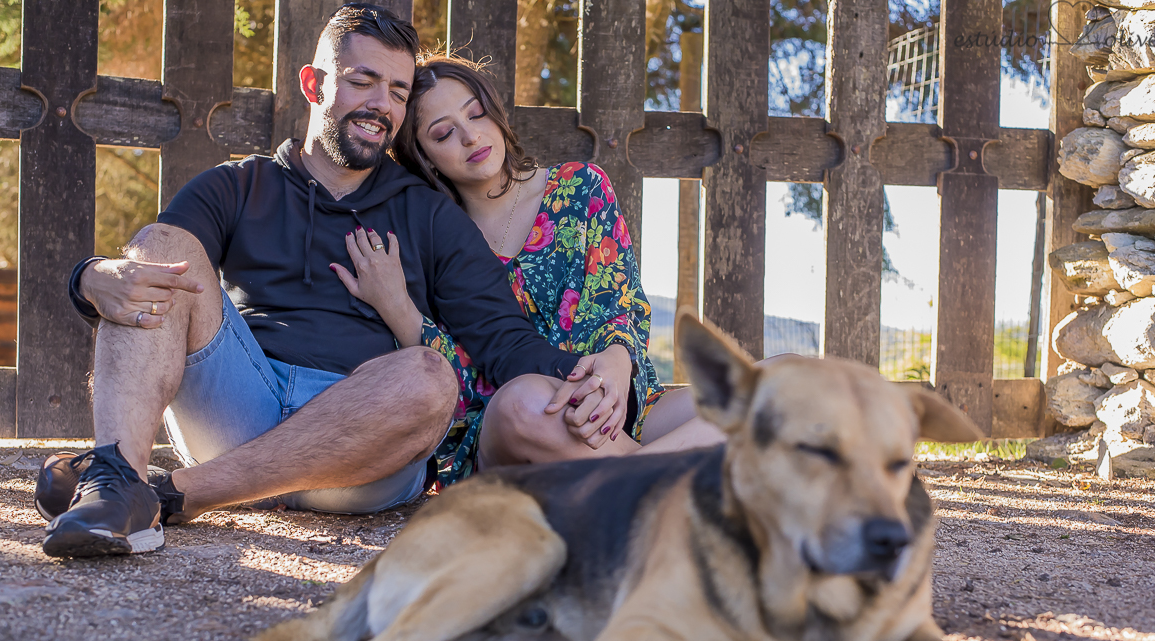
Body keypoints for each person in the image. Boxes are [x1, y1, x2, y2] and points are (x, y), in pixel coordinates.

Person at [37, 4, 623, 558]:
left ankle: (167, 494)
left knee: (428, 376)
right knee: (162, 248)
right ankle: (116, 483)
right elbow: (143, 272)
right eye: (363, 81)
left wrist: (597, 369)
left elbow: (505, 341)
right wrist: (88, 278)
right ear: (315, 84)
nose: (382, 105)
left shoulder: (429, 215)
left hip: (361, 445)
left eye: (397, 92)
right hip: (240, 407)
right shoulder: (240, 185)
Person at [337, 55, 724, 483]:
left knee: (786, 380)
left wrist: (615, 364)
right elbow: (457, 382)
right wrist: (397, 308)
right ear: (424, 157)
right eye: (444, 133)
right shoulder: (436, 237)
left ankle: (644, 479)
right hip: (520, 426)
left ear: (496, 113)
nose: (470, 136)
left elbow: (619, 302)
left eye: (476, 113)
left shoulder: (581, 186)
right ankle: (679, 472)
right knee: (524, 400)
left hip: (618, 408)